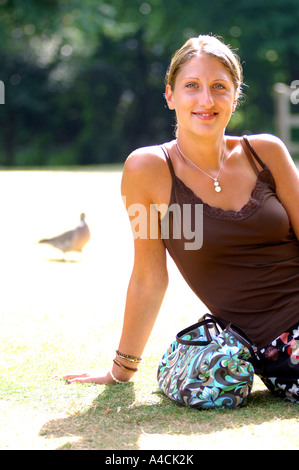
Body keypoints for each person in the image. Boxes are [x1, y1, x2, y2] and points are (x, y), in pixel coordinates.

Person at [62, 35, 299, 403]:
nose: (206, 100)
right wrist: (121, 369)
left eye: (219, 87)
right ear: (170, 96)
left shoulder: (266, 153)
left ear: (235, 97)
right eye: (192, 86)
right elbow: (149, 276)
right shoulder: (149, 170)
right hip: (276, 345)